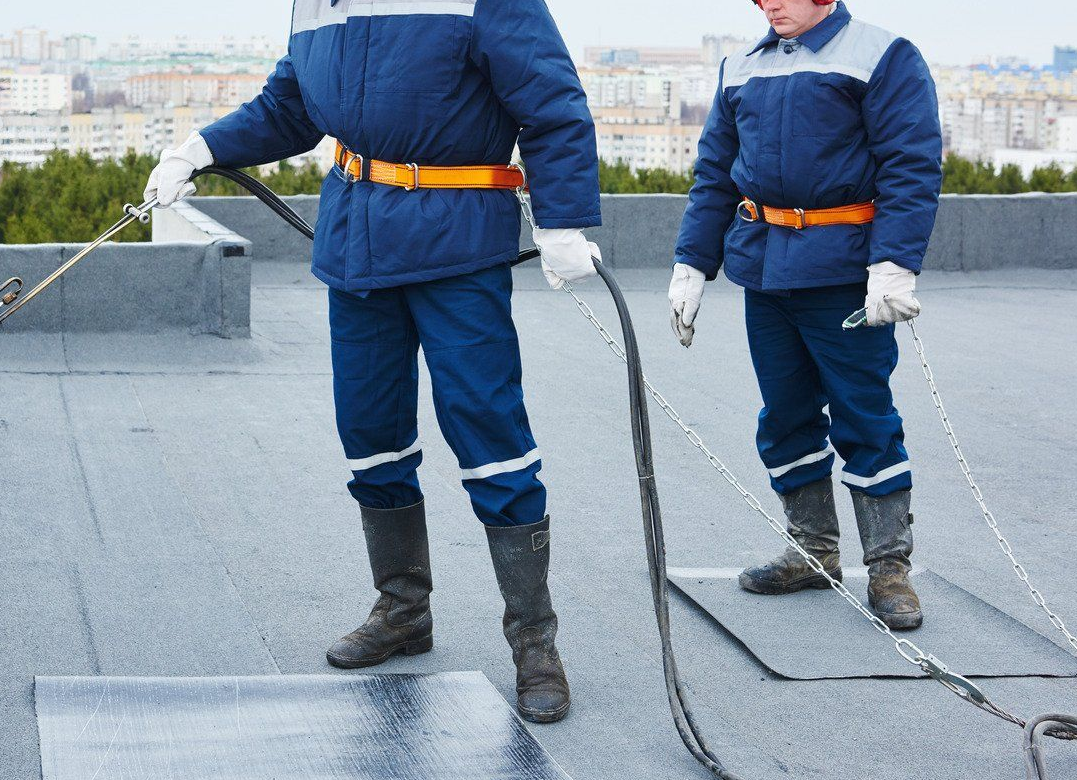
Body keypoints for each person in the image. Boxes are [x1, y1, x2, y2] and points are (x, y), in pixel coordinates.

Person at [143, 0, 602, 722]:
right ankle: (403, 611)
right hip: (357, 244)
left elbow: (550, 102)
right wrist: (199, 148)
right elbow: (291, 107)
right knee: (371, 432)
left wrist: (565, 217)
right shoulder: (314, 7)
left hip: (458, 248)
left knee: (490, 435)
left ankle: (534, 642)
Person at [669, 0, 942, 629]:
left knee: (863, 412)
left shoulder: (883, 55)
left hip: (843, 270)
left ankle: (889, 569)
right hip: (764, 269)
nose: (768, 2)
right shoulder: (741, 66)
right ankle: (812, 553)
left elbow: (911, 165)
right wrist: (691, 264)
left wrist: (894, 262)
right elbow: (715, 175)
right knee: (785, 412)